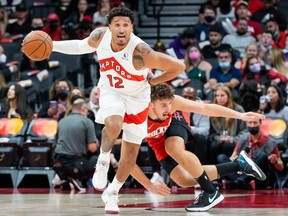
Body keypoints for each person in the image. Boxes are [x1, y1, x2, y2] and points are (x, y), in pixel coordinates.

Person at [51, 7, 185, 214]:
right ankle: (103, 161)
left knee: (130, 154)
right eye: (117, 25)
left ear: (131, 28)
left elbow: (178, 67)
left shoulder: (141, 52)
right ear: (110, 27)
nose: (121, 29)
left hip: (138, 98)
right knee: (113, 123)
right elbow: (79, 46)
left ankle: (112, 193)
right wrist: (51, 45)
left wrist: (154, 80)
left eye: (126, 25)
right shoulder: (100, 37)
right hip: (111, 90)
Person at [130, 83, 266, 212]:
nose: (168, 108)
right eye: (164, 105)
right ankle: (239, 165)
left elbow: (206, 108)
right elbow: (127, 160)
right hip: (156, 140)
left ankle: (210, 192)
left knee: (173, 148)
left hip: (175, 122)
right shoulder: (135, 119)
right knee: (183, 179)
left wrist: (240, 115)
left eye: (169, 104)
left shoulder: (173, 105)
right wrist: (149, 185)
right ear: (150, 105)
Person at [218, 118, 284, 189]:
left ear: (260, 123)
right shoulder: (243, 139)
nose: (252, 125)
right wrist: (237, 159)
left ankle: (238, 182)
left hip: (259, 176)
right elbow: (232, 158)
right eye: (250, 122)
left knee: (262, 156)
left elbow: (281, 167)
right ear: (246, 124)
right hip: (243, 171)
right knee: (221, 157)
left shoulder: (270, 142)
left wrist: (275, 162)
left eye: (255, 122)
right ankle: (242, 183)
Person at [54, 96, 98, 191]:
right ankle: (78, 179)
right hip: (76, 163)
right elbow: (92, 148)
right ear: (83, 109)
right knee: (97, 161)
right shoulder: (87, 122)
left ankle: (65, 178)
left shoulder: (61, 121)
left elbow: (57, 142)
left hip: (58, 162)